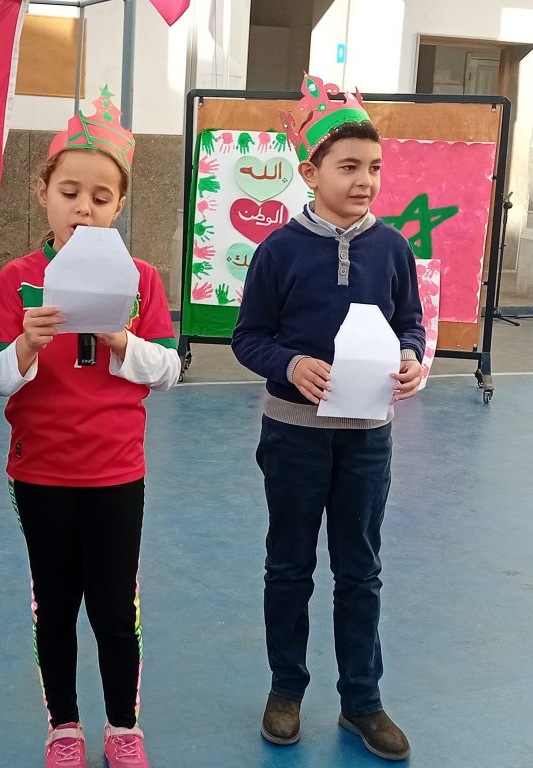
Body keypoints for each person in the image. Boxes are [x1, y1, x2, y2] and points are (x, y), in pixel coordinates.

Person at [232, 75, 425, 762]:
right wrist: (289, 365)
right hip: (294, 436)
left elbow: (411, 324)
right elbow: (248, 337)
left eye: (373, 167)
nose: (364, 180)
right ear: (310, 172)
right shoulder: (279, 251)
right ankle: (286, 689)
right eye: (348, 167)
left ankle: (362, 701)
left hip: (368, 439)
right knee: (289, 564)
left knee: (360, 569)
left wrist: (413, 358)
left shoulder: (393, 249)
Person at [0, 88, 179, 768]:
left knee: (115, 606)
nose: (83, 208)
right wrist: (27, 346)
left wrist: (123, 340)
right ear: (42, 192)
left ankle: (124, 727)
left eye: (101, 197)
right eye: (69, 192)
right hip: (40, 470)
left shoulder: (140, 279)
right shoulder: (18, 280)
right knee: (56, 602)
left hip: (116, 470)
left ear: (119, 205)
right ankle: (63, 726)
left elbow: (167, 369)